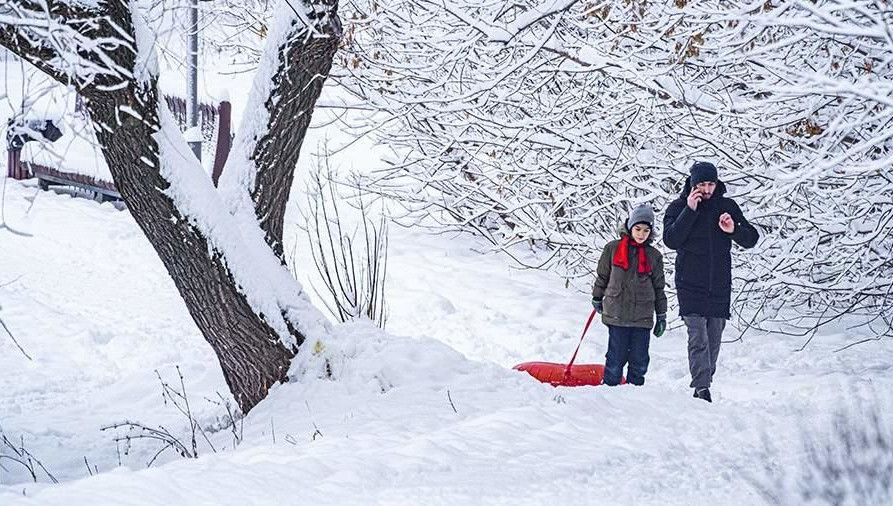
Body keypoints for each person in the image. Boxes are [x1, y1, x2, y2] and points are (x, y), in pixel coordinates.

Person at [663, 161, 759, 402]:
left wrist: (733, 230)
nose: (706, 190)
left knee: (714, 339)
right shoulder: (678, 207)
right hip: (689, 283)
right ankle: (702, 387)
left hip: (719, 284)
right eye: (702, 185)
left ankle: (705, 381)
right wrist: (689, 211)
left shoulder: (727, 207)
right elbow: (671, 240)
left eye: (711, 184)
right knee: (698, 337)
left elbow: (751, 238)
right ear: (692, 184)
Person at [591, 204, 667, 386]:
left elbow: (659, 288)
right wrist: (597, 297)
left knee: (639, 361)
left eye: (646, 230)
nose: (641, 234)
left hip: (642, 316)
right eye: (638, 229)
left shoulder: (654, 256)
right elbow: (603, 276)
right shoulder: (612, 249)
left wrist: (661, 315)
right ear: (630, 226)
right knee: (615, 359)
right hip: (617, 313)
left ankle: (635, 394)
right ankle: (610, 390)